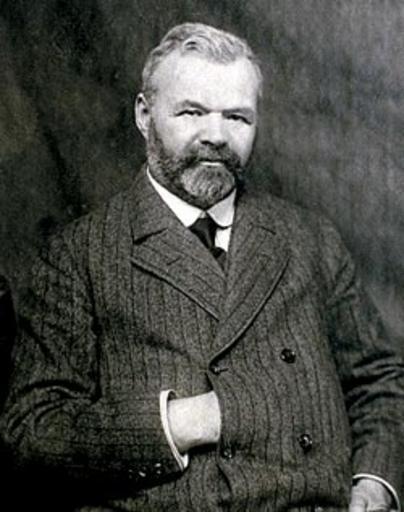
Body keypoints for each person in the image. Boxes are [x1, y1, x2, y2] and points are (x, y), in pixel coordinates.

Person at [2, 22, 404, 511]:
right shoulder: (78, 255)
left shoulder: (311, 238)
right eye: (192, 112)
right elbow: (33, 430)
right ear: (144, 115)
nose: (216, 136)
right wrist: (181, 422)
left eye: (237, 117)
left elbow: (379, 381)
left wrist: (373, 484)